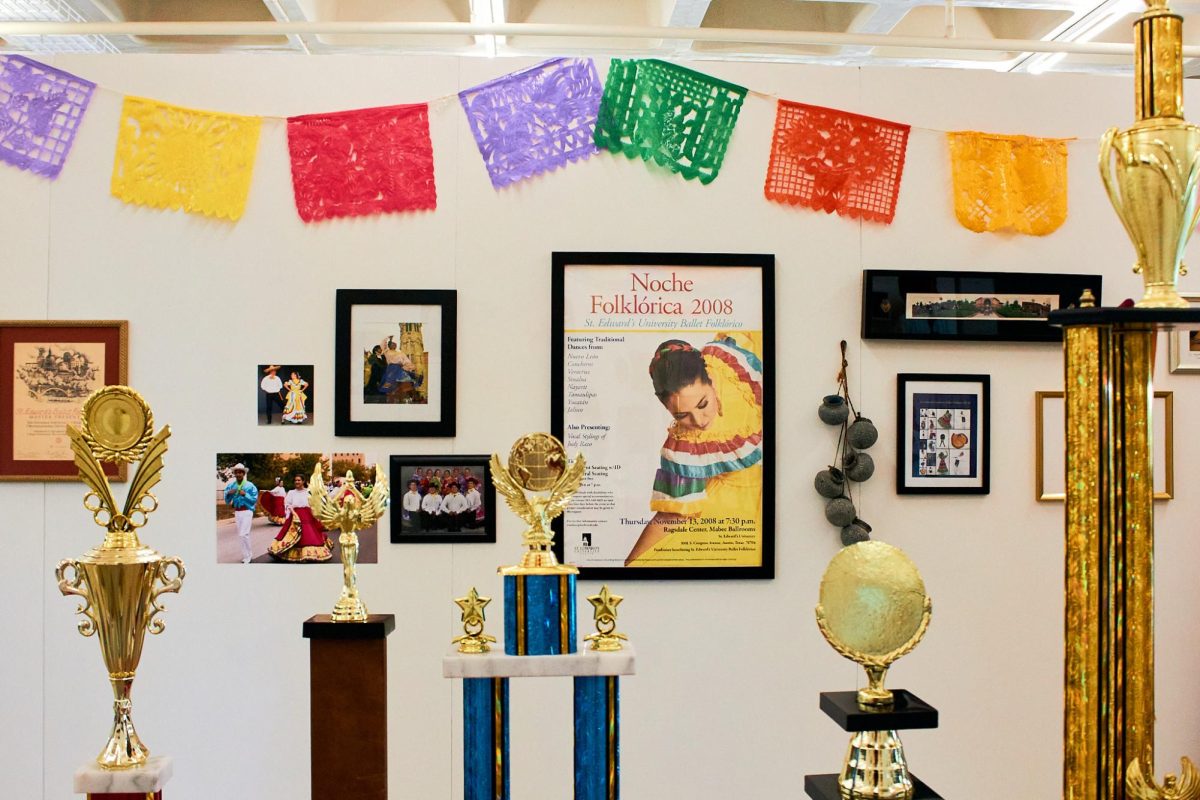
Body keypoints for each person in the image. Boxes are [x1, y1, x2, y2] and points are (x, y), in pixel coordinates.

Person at [624, 334, 764, 567]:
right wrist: (629, 569)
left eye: (702, 404)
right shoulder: (685, 445)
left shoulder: (737, 362)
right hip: (735, 510)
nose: (699, 421)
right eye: (681, 415)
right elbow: (672, 515)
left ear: (712, 381)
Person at [267, 474, 333, 562]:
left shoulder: (308, 492)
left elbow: (313, 504)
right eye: (296, 480)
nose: (297, 482)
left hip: (307, 516)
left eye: (299, 480)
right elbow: (287, 504)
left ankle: (308, 553)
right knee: (292, 535)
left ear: (303, 481)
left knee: (309, 535)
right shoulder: (291, 492)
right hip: (295, 516)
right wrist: (291, 511)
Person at [224, 464, 259, 564]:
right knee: (241, 535)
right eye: (236, 472)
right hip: (237, 512)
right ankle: (247, 555)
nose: (238, 474)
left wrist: (245, 494)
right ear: (234, 473)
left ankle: (248, 556)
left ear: (244, 473)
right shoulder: (231, 485)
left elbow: (254, 499)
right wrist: (229, 493)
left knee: (244, 534)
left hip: (247, 511)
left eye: (240, 472)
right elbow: (227, 500)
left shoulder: (250, 485)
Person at [377, 336, 422, 402]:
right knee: (389, 385)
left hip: (399, 369)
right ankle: (390, 399)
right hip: (391, 370)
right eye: (392, 344)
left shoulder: (400, 353)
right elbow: (383, 345)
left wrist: (409, 367)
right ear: (389, 346)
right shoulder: (387, 352)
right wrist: (388, 338)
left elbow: (406, 361)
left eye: (395, 344)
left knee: (406, 383)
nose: (394, 345)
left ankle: (412, 398)